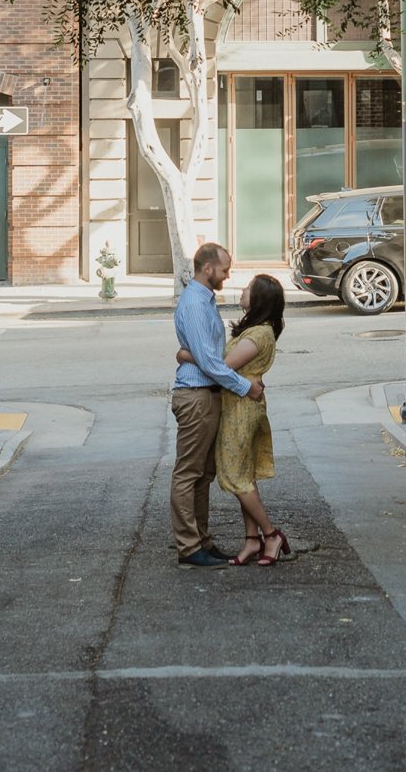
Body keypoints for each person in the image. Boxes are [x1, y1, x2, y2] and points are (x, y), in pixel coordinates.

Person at [171, 241, 262, 567]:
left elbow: (205, 355)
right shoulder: (195, 304)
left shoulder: (205, 300)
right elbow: (210, 362)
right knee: (188, 474)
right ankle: (189, 547)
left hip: (206, 395)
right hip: (196, 397)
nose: (227, 275)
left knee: (203, 474)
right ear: (207, 268)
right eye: (224, 269)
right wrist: (245, 387)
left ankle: (202, 542)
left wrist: (186, 354)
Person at [196, 273, 292, 566]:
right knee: (244, 475)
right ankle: (252, 541)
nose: (242, 290)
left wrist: (190, 355)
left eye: (248, 288)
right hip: (238, 406)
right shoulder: (255, 330)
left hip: (241, 412)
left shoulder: (259, 334)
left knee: (235, 475)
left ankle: (270, 534)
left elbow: (222, 368)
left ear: (259, 298)